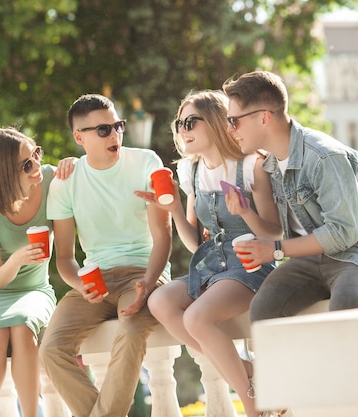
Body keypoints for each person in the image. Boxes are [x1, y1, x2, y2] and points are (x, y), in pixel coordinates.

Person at [135, 90, 282, 417]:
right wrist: (173, 207)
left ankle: (252, 404)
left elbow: (274, 233)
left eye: (190, 122)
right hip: (211, 268)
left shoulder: (251, 167)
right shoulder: (192, 173)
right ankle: (248, 370)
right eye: (178, 123)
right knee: (159, 301)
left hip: (250, 264)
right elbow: (192, 241)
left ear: (215, 122)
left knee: (196, 317)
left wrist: (245, 212)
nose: (181, 130)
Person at [221, 70, 358, 320]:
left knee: (347, 304)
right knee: (263, 312)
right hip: (309, 259)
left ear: (264, 117)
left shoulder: (325, 157)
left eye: (234, 121)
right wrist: (244, 213)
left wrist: (276, 250)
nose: (230, 130)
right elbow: (277, 230)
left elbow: (343, 233)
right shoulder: (272, 164)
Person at [39, 93, 172, 417]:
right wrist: (80, 283)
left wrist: (148, 283)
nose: (115, 135)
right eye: (103, 130)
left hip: (143, 272)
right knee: (51, 350)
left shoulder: (146, 163)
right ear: (79, 137)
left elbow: (163, 238)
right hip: (95, 280)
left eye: (118, 126)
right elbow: (65, 258)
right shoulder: (64, 183)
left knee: (129, 334)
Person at [0, 127, 74, 417]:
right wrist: (19, 258)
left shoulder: (49, 180)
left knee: (22, 328)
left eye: (36, 154)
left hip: (34, 289)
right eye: (26, 164)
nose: (36, 165)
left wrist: (75, 164)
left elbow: (88, 176)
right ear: (4, 172)